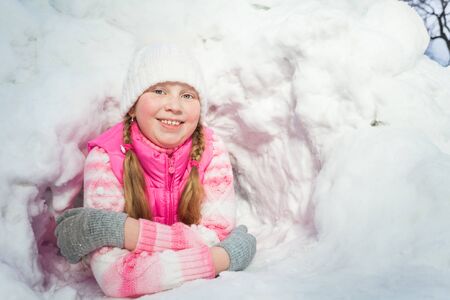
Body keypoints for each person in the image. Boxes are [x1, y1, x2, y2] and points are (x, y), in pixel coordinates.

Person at [54, 44, 257, 298]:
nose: (174, 105)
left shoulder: (211, 149)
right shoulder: (106, 157)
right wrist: (221, 259)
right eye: (159, 91)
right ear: (132, 104)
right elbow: (116, 279)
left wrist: (122, 231)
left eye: (187, 95)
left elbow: (216, 233)